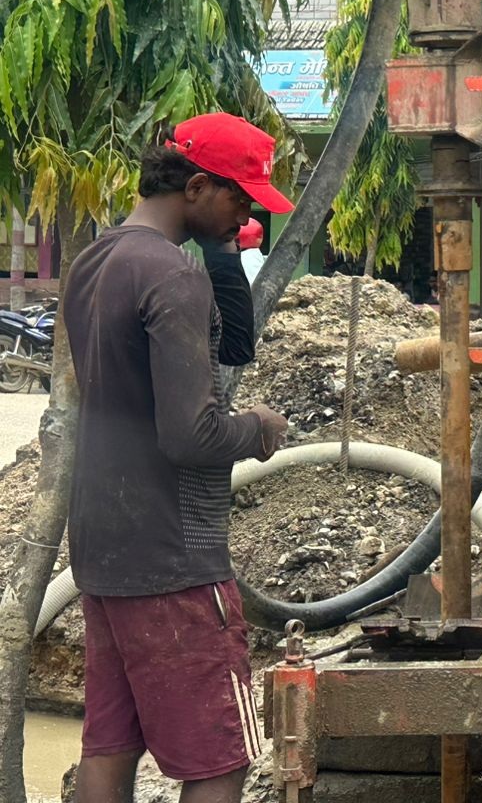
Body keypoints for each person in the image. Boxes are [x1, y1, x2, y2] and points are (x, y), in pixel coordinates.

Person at [65, 113, 294, 803]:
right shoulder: (173, 275)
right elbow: (190, 435)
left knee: (109, 747)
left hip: (104, 549)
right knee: (219, 759)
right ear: (196, 187)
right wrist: (256, 428)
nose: (247, 217)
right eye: (240, 199)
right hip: (174, 559)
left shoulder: (94, 261)